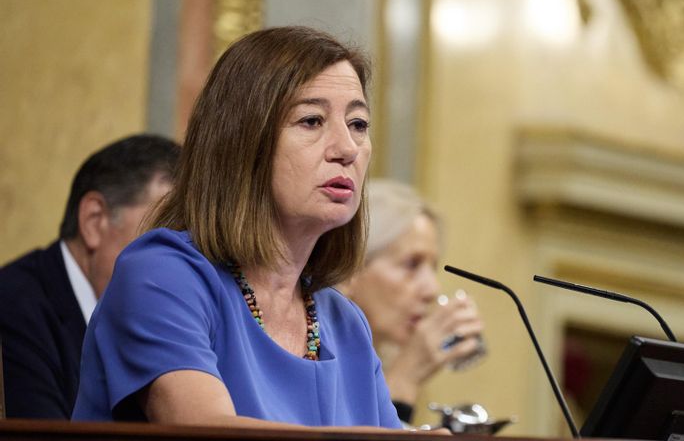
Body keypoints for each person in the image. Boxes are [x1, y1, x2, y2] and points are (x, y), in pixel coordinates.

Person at [72, 26, 403, 432]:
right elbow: (206, 430)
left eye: (358, 124)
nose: (347, 149)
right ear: (242, 142)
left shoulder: (344, 322)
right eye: (311, 120)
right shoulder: (162, 275)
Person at [0, 134, 180, 419]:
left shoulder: (175, 318)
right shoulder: (12, 308)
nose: (180, 259)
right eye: (164, 234)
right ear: (94, 221)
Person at [340, 179, 485, 424]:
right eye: (412, 264)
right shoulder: (314, 355)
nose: (432, 289)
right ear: (351, 268)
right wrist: (404, 377)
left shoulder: (375, 362)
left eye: (433, 267)